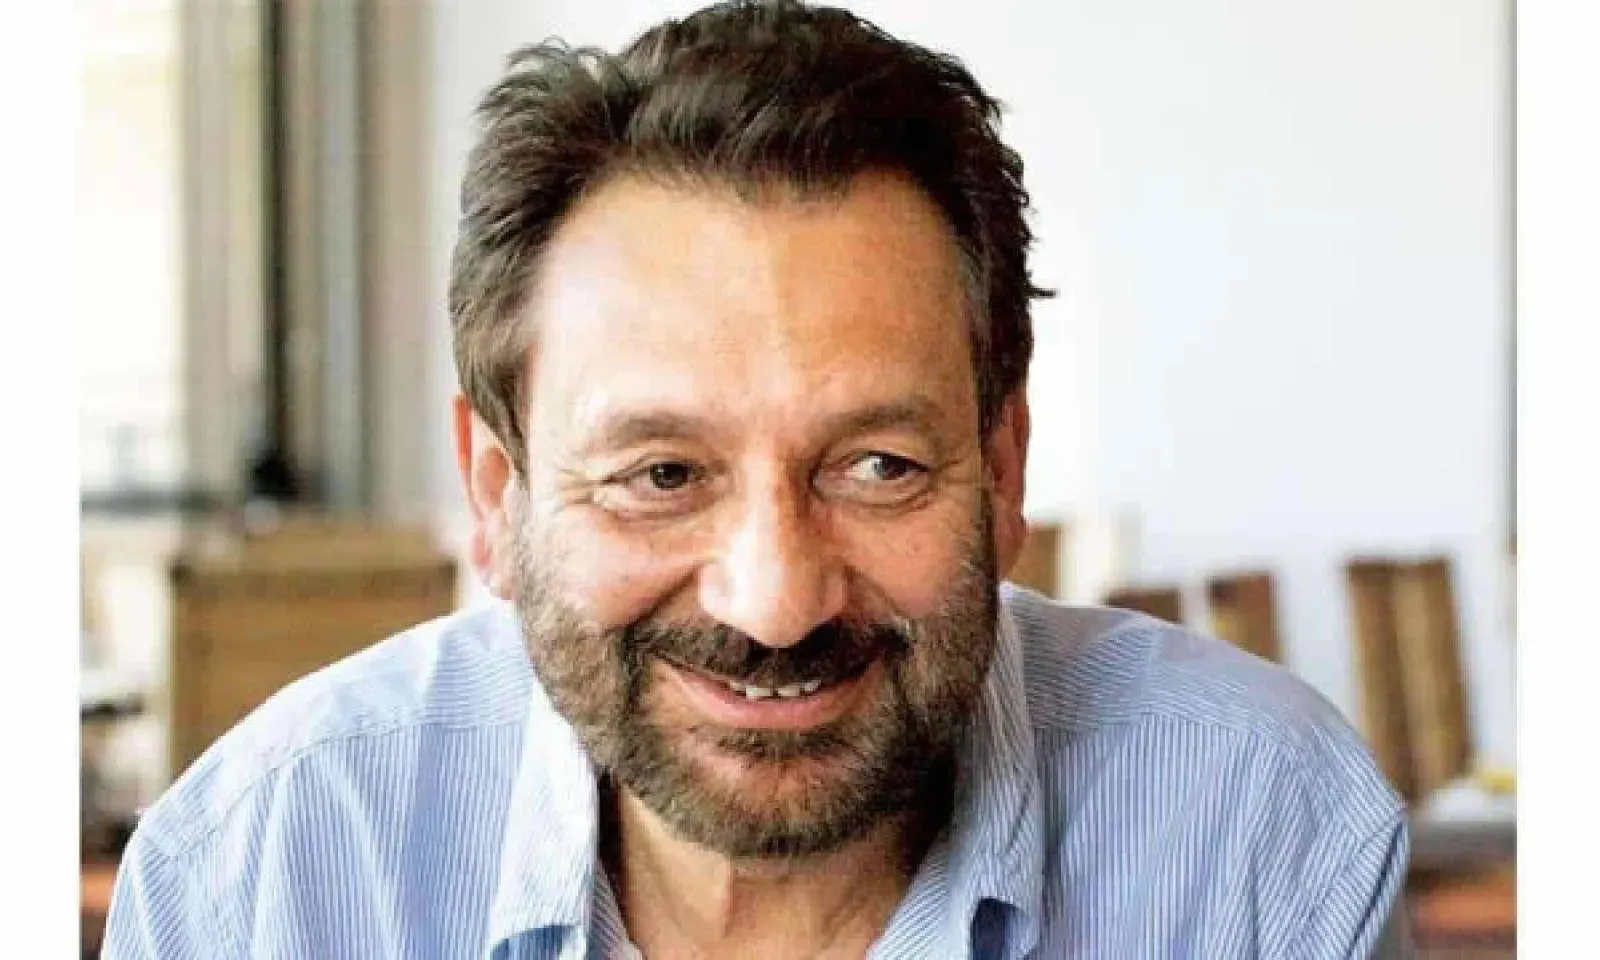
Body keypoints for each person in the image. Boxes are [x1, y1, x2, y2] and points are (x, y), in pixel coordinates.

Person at [104, 2, 1409, 956]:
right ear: (498, 498)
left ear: (1004, 471)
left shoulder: (1262, 843)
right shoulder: (257, 881)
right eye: (662, 473)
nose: (776, 602)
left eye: (879, 466)